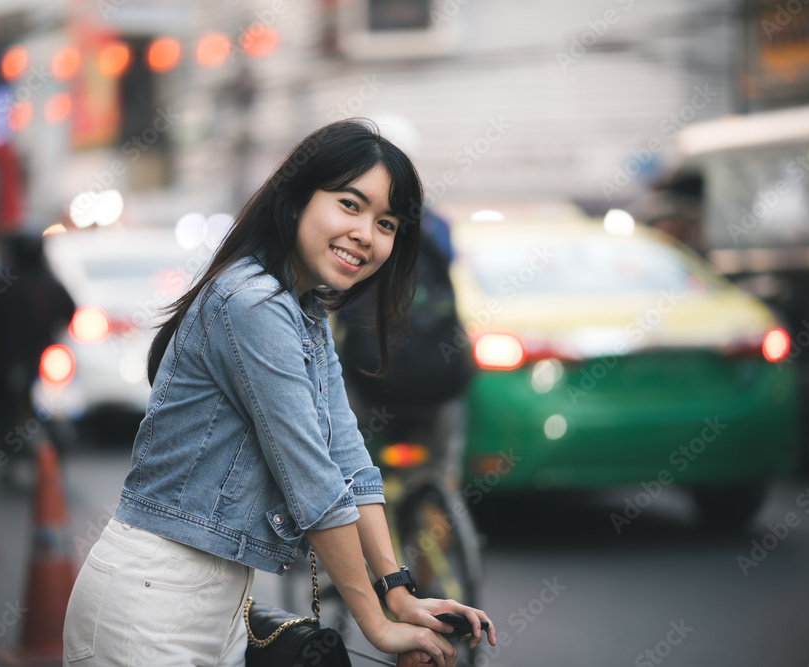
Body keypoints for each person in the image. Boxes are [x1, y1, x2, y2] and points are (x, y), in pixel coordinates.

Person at [63, 119, 495, 667]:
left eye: (386, 222)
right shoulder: (252, 304)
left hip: (221, 609)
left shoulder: (303, 314)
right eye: (350, 204)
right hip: (152, 601)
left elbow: (348, 461)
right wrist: (378, 627)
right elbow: (314, 482)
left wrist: (398, 588)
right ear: (296, 199)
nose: (367, 233)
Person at [337, 208, 473, 492]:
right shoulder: (436, 226)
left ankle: (353, 495)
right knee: (445, 441)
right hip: (437, 384)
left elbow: (343, 307)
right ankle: (444, 500)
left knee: (342, 440)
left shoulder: (358, 231)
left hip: (371, 385)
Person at [0, 233, 75, 469]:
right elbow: (71, 312)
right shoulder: (51, 280)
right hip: (34, 359)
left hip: (11, 359)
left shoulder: (5, 283)